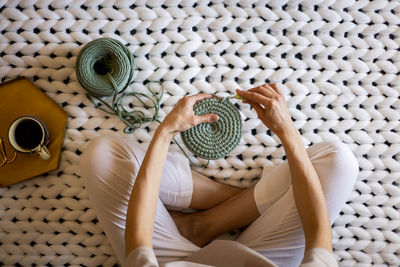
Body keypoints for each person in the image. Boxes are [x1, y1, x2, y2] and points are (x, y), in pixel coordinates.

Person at [80, 84, 359, 267]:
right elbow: (318, 234)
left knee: (103, 157)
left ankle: (198, 227)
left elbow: (138, 237)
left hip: (171, 261)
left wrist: (165, 133)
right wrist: (287, 131)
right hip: (265, 259)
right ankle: (232, 209)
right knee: (339, 162)